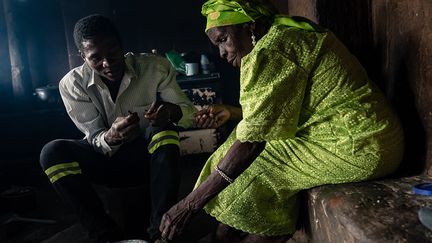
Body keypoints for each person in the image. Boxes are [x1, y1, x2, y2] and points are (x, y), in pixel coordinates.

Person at [158, 0, 404, 242]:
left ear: (250, 27)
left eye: (223, 39)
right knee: (235, 148)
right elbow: (285, 109)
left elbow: (252, 144)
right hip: (364, 132)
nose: (222, 53)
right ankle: (225, 234)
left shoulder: (272, 50)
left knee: (255, 169)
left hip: (359, 145)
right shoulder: (282, 34)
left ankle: (269, 231)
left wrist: (188, 206)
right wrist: (234, 112)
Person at [38, 14, 196, 243]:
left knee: (164, 131)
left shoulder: (155, 67)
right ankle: (104, 235)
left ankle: (161, 234)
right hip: (105, 162)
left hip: (150, 160)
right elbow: (94, 138)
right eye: (96, 58)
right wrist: (111, 136)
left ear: (122, 45)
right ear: (83, 56)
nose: (107, 63)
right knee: (51, 153)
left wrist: (170, 112)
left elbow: (188, 113)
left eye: (112, 52)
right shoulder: (72, 84)